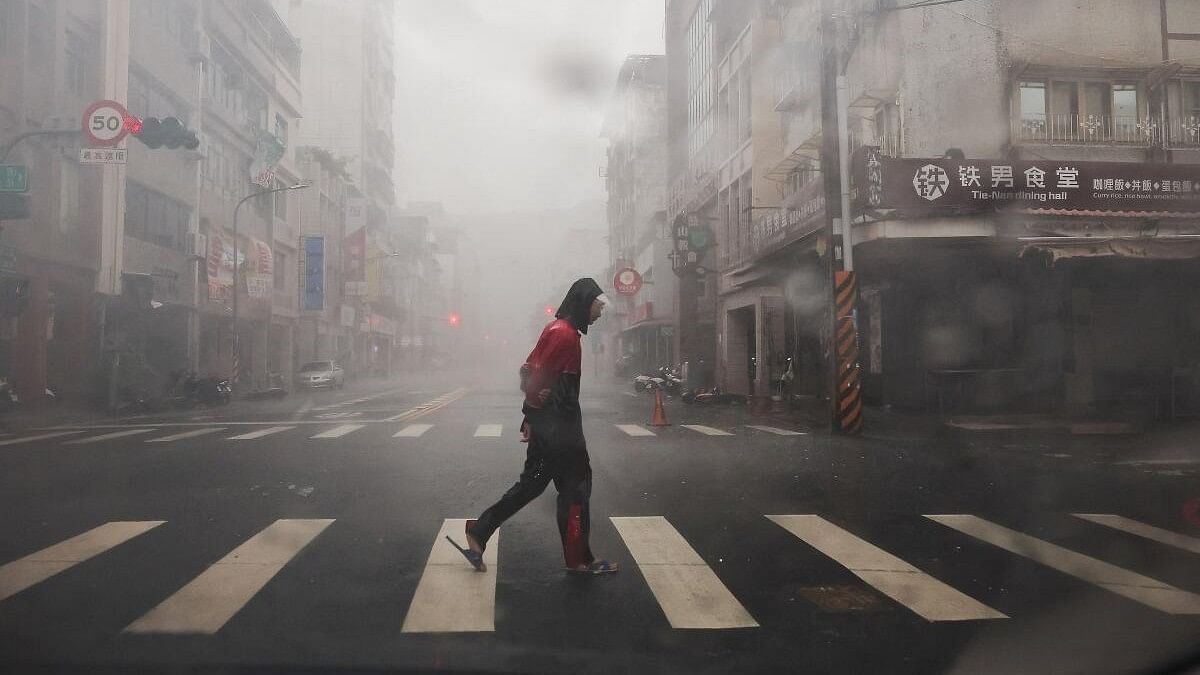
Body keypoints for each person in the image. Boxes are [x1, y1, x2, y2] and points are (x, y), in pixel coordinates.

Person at [446, 278, 619, 575]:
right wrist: (536, 415)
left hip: (549, 427)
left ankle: (480, 530)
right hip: (561, 432)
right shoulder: (565, 335)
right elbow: (538, 377)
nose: (600, 312)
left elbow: (530, 370)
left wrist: (530, 416)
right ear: (583, 302)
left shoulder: (556, 330)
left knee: (533, 486)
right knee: (576, 490)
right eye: (598, 305)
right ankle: (579, 560)